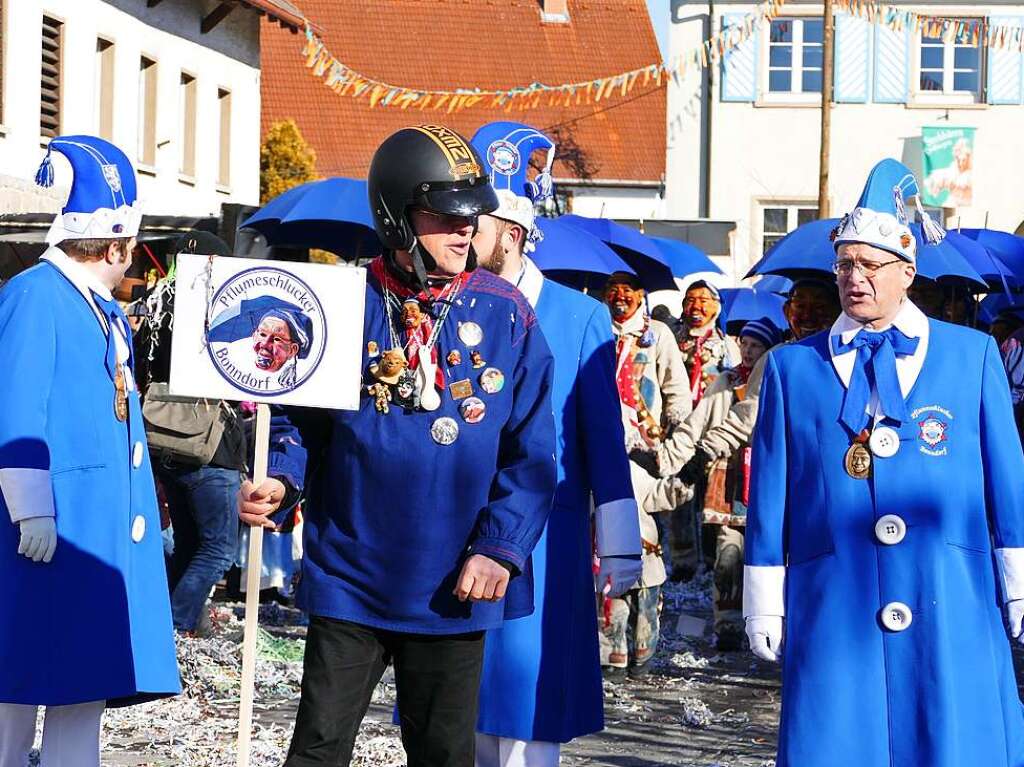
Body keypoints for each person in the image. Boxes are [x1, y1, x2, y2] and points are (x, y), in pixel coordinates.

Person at [238, 125, 557, 767]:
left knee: (442, 755)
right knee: (318, 749)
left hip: (453, 583)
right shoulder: (343, 304)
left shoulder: (507, 315)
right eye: (444, 214)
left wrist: (501, 548)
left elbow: (532, 454)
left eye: (472, 214)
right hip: (350, 574)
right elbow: (299, 422)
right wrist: (279, 478)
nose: (465, 230)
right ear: (396, 215)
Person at [744, 159, 1024, 766]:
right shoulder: (794, 368)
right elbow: (769, 493)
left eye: (871, 265)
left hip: (947, 593)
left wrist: (1018, 576)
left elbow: (1008, 476)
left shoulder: (972, 355)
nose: (854, 278)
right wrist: (763, 590)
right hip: (833, 596)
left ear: (907, 272)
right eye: (844, 264)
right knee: (839, 742)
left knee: (948, 740)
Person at [0, 135, 179, 767]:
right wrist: (31, 507)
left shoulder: (101, 307)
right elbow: (15, 406)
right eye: (131, 245)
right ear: (112, 244)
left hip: (95, 526)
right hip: (50, 527)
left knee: (85, 682)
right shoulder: (35, 295)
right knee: (17, 681)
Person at [468, 121, 641, 767]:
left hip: (548, 538)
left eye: (476, 223)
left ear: (511, 234)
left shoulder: (579, 314)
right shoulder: (450, 303)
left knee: (528, 702)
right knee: (461, 703)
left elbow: (603, 436)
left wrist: (620, 544)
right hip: (458, 527)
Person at [134, 230, 248, 636]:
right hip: (210, 447)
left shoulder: (157, 308)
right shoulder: (215, 309)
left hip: (164, 441)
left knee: (188, 544)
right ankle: (172, 628)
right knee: (218, 549)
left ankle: (164, 626)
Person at [603, 271, 692, 678]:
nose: (620, 298)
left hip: (645, 446)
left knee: (644, 528)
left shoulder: (657, 333)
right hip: (603, 439)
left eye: (628, 290)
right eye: (613, 291)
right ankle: (611, 645)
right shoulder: (598, 326)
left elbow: (675, 388)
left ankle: (643, 636)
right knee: (604, 534)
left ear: (641, 294)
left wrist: (677, 435)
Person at [671, 318, 780, 650]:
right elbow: (699, 419)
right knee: (727, 552)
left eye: (756, 346)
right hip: (727, 475)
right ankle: (728, 625)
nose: (748, 351)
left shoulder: (776, 378)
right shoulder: (726, 380)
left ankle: (766, 620)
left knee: (765, 552)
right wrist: (677, 458)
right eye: (744, 344)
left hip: (764, 473)